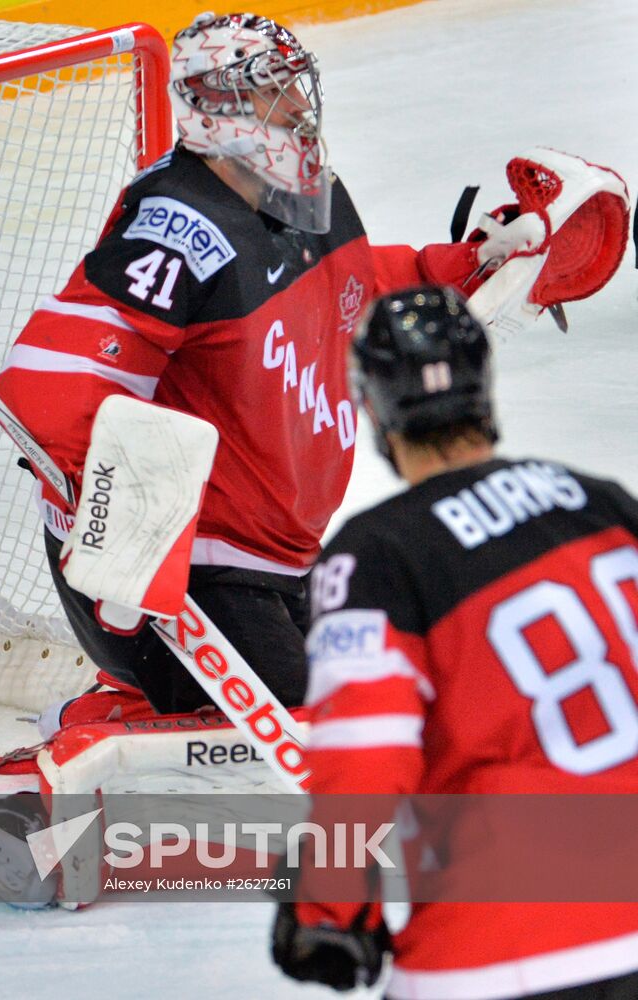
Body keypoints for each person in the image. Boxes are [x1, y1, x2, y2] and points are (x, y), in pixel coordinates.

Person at [0, 12, 540, 715]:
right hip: (189, 574)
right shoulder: (175, 224)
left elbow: (346, 289)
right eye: (276, 90)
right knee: (333, 731)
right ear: (219, 105)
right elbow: (48, 385)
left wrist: (452, 272)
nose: (301, 107)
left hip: (283, 557)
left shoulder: (312, 192)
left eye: (296, 84)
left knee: (396, 683)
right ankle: (128, 729)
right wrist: (126, 547)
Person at [271, 285, 638, 998]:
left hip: (504, 949)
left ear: (374, 410)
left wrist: (327, 907)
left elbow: (364, 761)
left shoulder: (374, 554)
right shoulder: (607, 503)